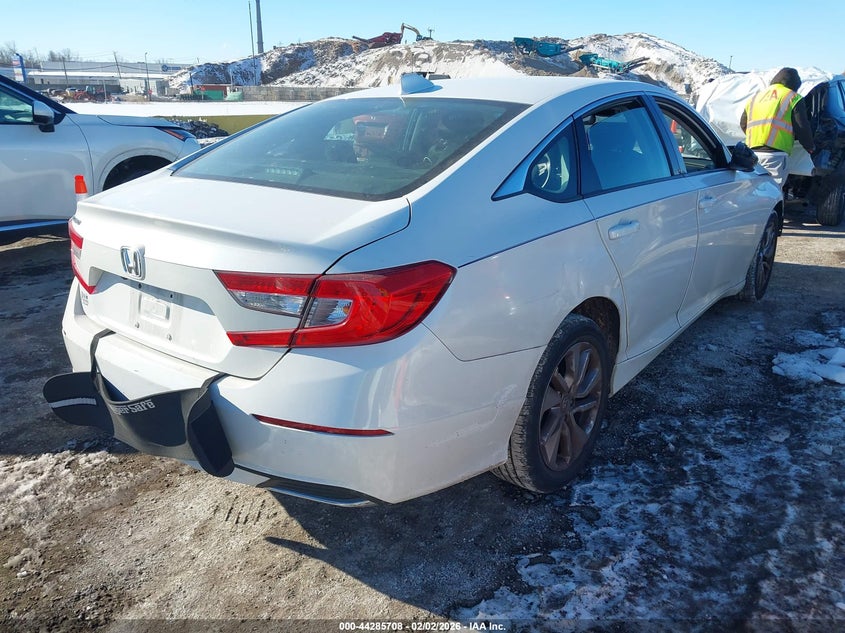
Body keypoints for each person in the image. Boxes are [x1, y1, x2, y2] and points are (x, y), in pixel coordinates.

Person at [740, 67, 815, 189]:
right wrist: (810, 146)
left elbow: (743, 124)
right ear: (794, 84)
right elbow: (802, 126)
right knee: (772, 193)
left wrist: (758, 136)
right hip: (775, 155)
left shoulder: (755, 97)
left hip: (751, 153)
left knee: (753, 191)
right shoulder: (793, 97)